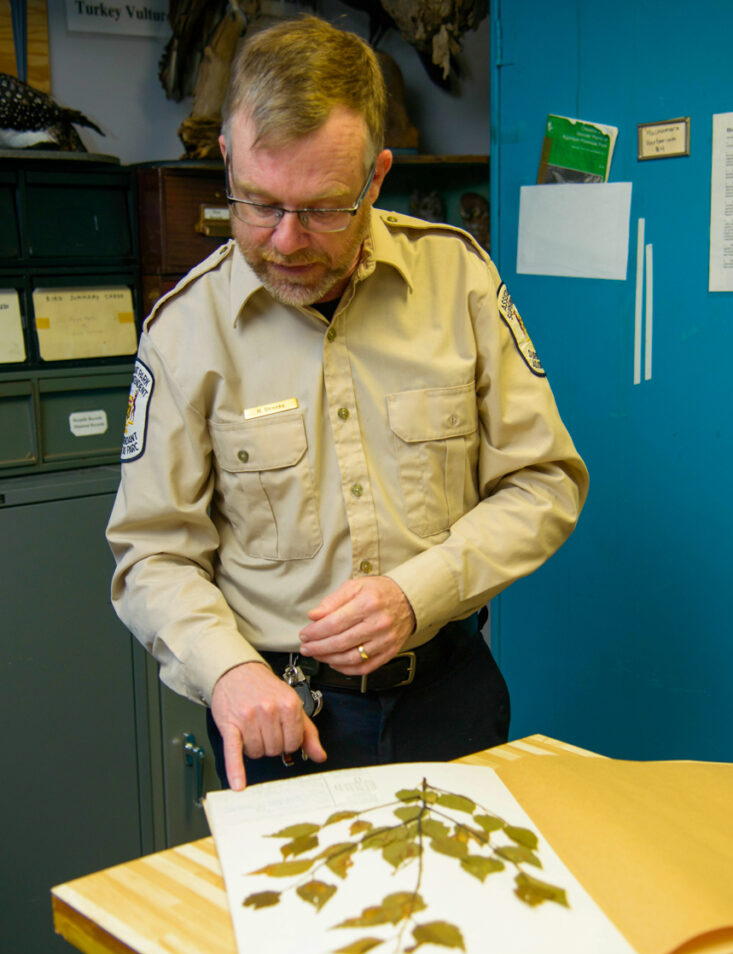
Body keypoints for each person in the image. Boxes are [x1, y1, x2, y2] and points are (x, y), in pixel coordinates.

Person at [107, 15, 588, 792]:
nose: (287, 241)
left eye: (326, 207)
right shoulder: (185, 331)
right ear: (226, 158)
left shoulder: (457, 280)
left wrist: (418, 593)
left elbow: (545, 484)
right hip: (278, 715)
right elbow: (154, 553)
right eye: (258, 204)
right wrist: (228, 673)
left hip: (446, 698)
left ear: (376, 175)